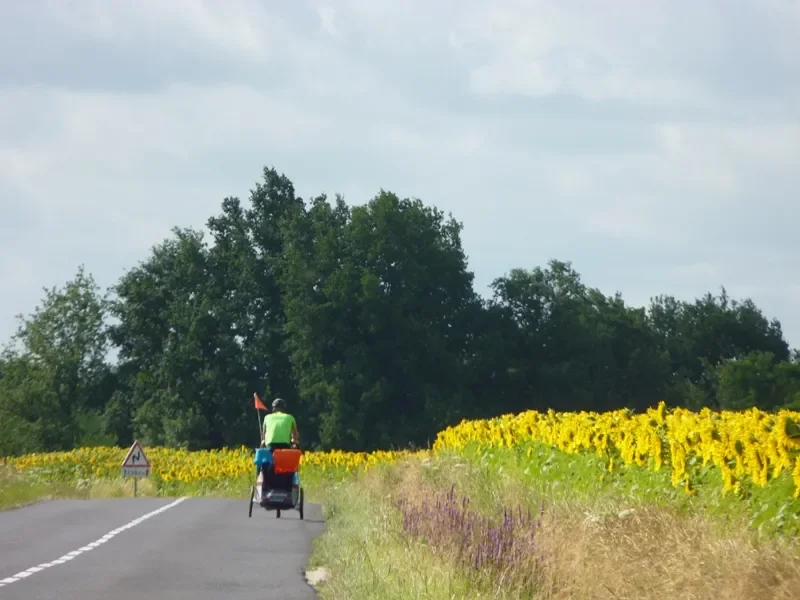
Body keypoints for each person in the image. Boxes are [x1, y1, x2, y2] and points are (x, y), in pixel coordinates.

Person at [260, 398, 300, 504]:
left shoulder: (267, 417)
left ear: (273, 409)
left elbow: (263, 435)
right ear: (284, 409)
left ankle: (265, 488)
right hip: (285, 446)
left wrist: (263, 442)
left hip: (270, 446)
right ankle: (288, 489)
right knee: (289, 466)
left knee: (264, 465)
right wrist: (295, 442)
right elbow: (295, 435)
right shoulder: (290, 417)